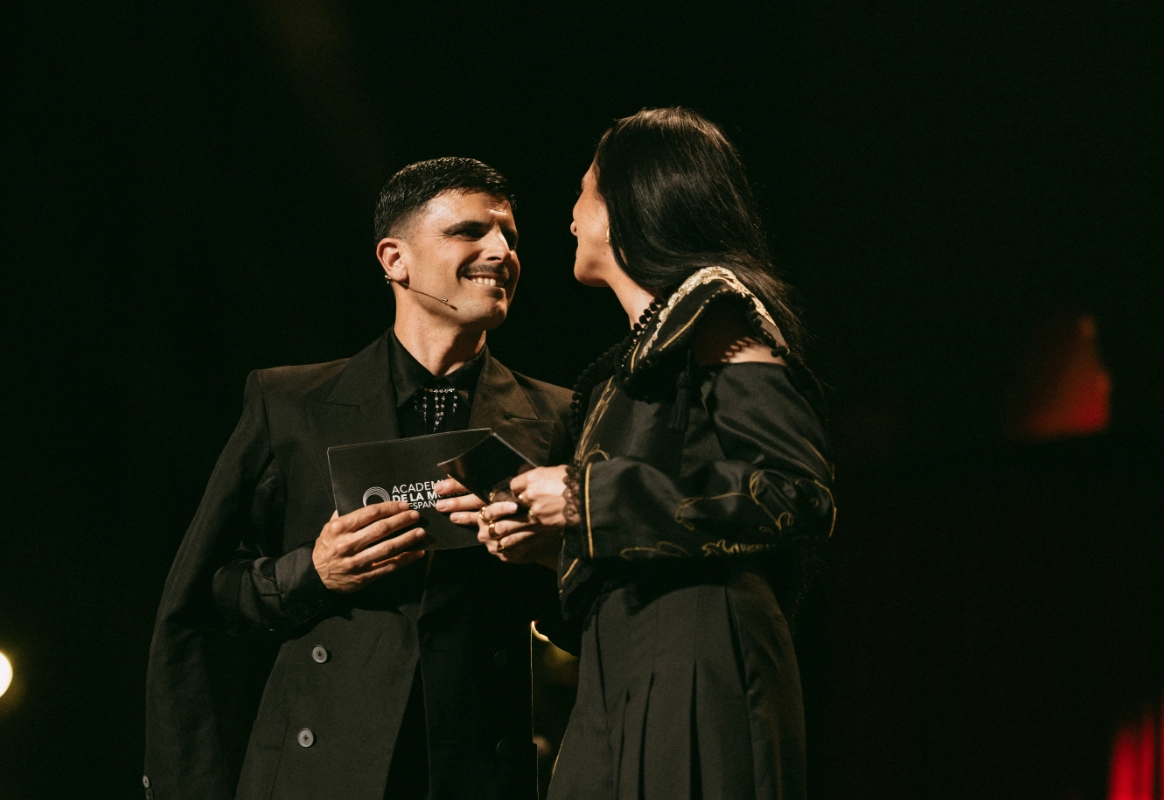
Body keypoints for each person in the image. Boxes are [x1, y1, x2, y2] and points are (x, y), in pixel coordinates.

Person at [143, 157, 576, 800]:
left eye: (509, 236)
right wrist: (311, 572)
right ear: (394, 259)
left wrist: (551, 559)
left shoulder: (557, 417)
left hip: (476, 773)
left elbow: (594, 616)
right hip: (318, 772)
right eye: (469, 232)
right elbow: (204, 594)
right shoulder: (289, 403)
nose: (500, 251)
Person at [482, 109, 837, 799]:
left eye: (585, 192)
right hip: (619, 675)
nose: (573, 214)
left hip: (699, 658)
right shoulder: (622, 374)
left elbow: (797, 492)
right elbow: (649, 523)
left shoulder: (716, 311)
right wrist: (555, 546)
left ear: (626, 206)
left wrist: (586, 498)